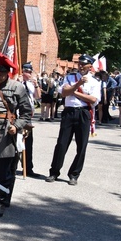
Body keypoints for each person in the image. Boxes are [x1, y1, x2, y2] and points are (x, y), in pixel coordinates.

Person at [0, 52, 33, 218]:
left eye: (1, 74)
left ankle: (1, 201)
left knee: (5, 170)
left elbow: (26, 113)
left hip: (6, 132)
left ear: (7, 73)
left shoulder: (17, 87)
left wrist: (16, 126)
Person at [46, 55, 101, 185]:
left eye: (84, 64)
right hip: (69, 112)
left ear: (90, 66)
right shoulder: (70, 77)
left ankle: (74, 174)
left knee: (81, 146)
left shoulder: (95, 82)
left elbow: (93, 100)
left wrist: (74, 92)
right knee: (61, 143)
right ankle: (54, 172)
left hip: (83, 113)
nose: (80, 66)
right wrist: (78, 84)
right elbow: (64, 93)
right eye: (79, 63)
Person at [17, 62, 39, 177]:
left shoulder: (30, 84)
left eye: (31, 72)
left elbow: (37, 96)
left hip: (28, 116)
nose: (30, 74)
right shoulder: (17, 83)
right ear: (22, 72)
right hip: (17, 115)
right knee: (16, 141)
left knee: (28, 142)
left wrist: (36, 85)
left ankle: (28, 168)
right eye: (27, 72)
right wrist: (18, 82)